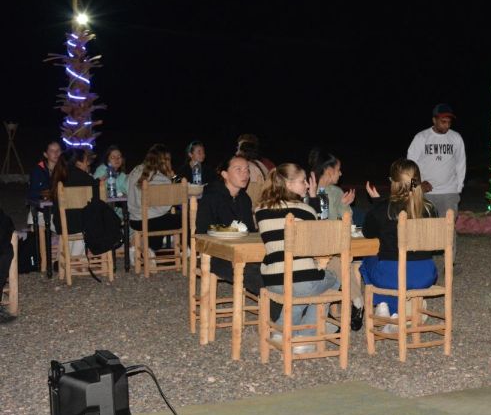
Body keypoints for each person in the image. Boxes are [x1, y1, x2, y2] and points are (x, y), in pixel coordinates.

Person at [254, 164, 339, 352]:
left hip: (272, 280)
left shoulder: (260, 209)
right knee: (332, 280)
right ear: (288, 184)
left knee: (302, 291)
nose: (307, 186)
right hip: (300, 280)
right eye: (303, 182)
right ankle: (306, 338)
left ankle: (282, 329)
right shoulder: (304, 210)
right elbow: (319, 237)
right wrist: (314, 198)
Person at [360, 159, 438, 334]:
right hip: (425, 274)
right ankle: (396, 313)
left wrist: (378, 203)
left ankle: (384, 303)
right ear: (417, 181)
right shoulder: (430, 209)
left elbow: (368, 232)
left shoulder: (383, 209)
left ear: (392, 182)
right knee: (397, 269)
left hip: (392, 275)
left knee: (366, 262)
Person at [307, 149, 362, 328]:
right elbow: (316, 221)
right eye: (338, 169)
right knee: (337, 262)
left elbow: (347, 224)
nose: (340, 173)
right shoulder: (308, 190)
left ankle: (331, 310)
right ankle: (357, 301)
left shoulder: (336, 192)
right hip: (310, 246)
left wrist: (345, 206)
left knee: (337, 260)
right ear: (329, 170)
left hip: (331, 245)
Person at [195, 155, 263, 295]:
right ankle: (281, 309)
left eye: (247, 170)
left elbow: (249, 231)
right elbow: (202, 231)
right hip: (216, 254)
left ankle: (282, 304)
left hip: (241, 252)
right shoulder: (211, 197)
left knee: (273, 267)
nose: (245, 174)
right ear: (225, 174)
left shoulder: (245, 199)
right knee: (254, 273)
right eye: (238, 170)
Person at [406, 103, 466, 257]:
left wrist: (458, 189)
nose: (446, 125)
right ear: (434, 120)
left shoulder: (456, 138)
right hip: (425, 192)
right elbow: (410, 164)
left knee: (448, 228)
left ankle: (449, 262)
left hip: (449, 192)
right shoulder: (422, 137)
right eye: (442, 121)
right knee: (422, 227)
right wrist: (416, 186)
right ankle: (422, 261)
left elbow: (460, 163)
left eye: (449, 122)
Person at [127, 144, 179, 253]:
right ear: (164, 161)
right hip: (151, 221)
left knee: (161, 220)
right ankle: (186, 250)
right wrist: (171, 178)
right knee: (183, 218)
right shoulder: (161, 178)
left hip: (134, 220)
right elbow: (166, 207)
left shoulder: (135, 170)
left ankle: (144, 247)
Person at [50, 148, 99, 234]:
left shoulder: (58, 176)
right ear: (78, 163)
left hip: (61, 226)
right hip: (84, 226)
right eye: (86, 161)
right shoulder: (86, 178)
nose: (88, 164)